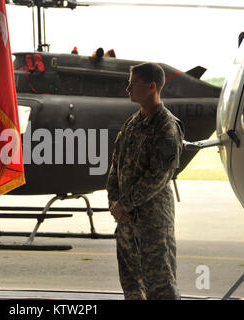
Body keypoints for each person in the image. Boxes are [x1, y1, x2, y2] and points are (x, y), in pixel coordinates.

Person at [106, 62, 184, 300]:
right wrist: (114, 203)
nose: (128, 88)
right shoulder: (132, 123)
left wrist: (124, 205)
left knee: (161, 288)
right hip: (127, 222)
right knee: (131, 287)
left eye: (133, 83)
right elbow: (116, 165)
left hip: (152, 224)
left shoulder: (166, 126)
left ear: (151, 87)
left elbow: (158, 177)